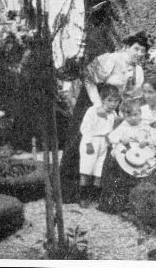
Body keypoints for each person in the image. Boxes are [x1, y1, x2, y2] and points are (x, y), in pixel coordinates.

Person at [60, 31, 150, 203]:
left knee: (107, 146)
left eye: (142, 51)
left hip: (113, 106)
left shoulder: (138, 71)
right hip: (92, 100)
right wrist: (97, 105)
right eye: (136, 49)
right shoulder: (111, 59)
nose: (139, 54)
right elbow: (88, 79)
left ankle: (95, 193)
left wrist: (125, 114)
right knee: (82, 141)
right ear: (127, 47)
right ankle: (71, 192)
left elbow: (132, 95)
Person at [98, 73, 156, 214]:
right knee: (117, 157)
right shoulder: (138, 111)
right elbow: (120, 131)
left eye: (151, 92)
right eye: (144, 92)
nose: (147, 96)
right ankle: (117, 203)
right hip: (134, 151)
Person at [78, 84, 120, 208]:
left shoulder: (113, 115)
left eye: (116, 101)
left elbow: (112, 131)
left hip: (104, 143)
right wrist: (88, 143)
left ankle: (95, 197)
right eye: (110, 100)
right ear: (102, 100)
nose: (113, 104)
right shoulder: (93, 111)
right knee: (87, 169)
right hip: (92, 141)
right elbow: (86, 128)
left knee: (99, 171)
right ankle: (83, 197)